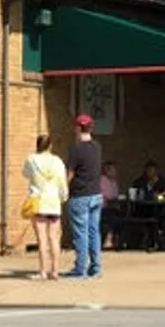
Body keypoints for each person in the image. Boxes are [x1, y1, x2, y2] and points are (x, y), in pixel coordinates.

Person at [22, 134, 68, 280]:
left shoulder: (31, 159)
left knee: (42, 239)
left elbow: (25, 174)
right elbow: (62, 183)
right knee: (54, 238)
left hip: (39, 201)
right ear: (50, 146)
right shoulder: (58, 161)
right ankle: (55, 271)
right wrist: (63, 197)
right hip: (53, 202)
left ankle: (42, 271)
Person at [64, 113, 103, 278]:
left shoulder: (76, 149)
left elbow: (70, 173)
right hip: (96, 195)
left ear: (78, 128)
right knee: (94, 232)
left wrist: (62, 190)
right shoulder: (97, 147)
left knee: (81, 233)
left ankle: (80, 268)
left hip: (80, 195)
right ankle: (95, 267)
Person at [100, 161, 120, 249]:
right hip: (102, 208)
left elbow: (115, 196)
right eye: (113, 170)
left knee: (124, 215)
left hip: (112, 207)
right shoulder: (102, 180)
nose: (115, 172)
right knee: (112, 216)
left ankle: (118, 241)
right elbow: (109, 197)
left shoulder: (114, 182)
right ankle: (108, 239)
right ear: (107, 171)